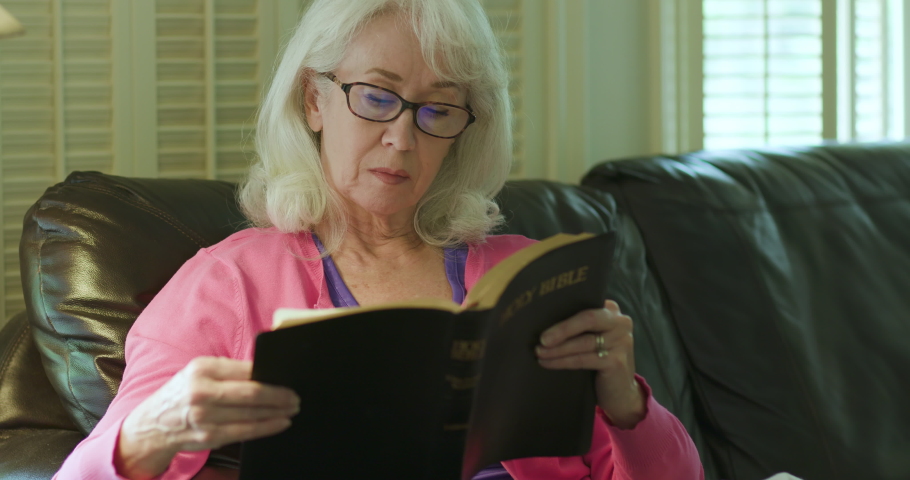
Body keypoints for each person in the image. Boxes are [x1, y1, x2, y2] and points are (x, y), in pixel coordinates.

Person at [55, 0, 704, 479]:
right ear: (314, 100)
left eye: (438, 109)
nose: (402, 136)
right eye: (376, 97)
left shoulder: (527, 277)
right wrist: (157, 426)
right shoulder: (227, 284)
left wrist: (625, 405)